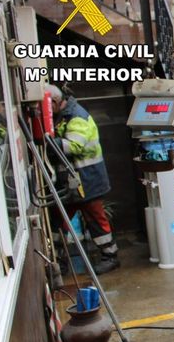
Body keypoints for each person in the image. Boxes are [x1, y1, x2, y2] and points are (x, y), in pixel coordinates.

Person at [45, 83, 120, 274]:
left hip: (88, 181)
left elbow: (74, 146)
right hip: (70, 183)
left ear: (54, 102)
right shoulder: (62, 116)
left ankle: (110, 257)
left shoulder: (77, 116)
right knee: (58, 221)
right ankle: (57, 261)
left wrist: (47, 143)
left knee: (95, 219)